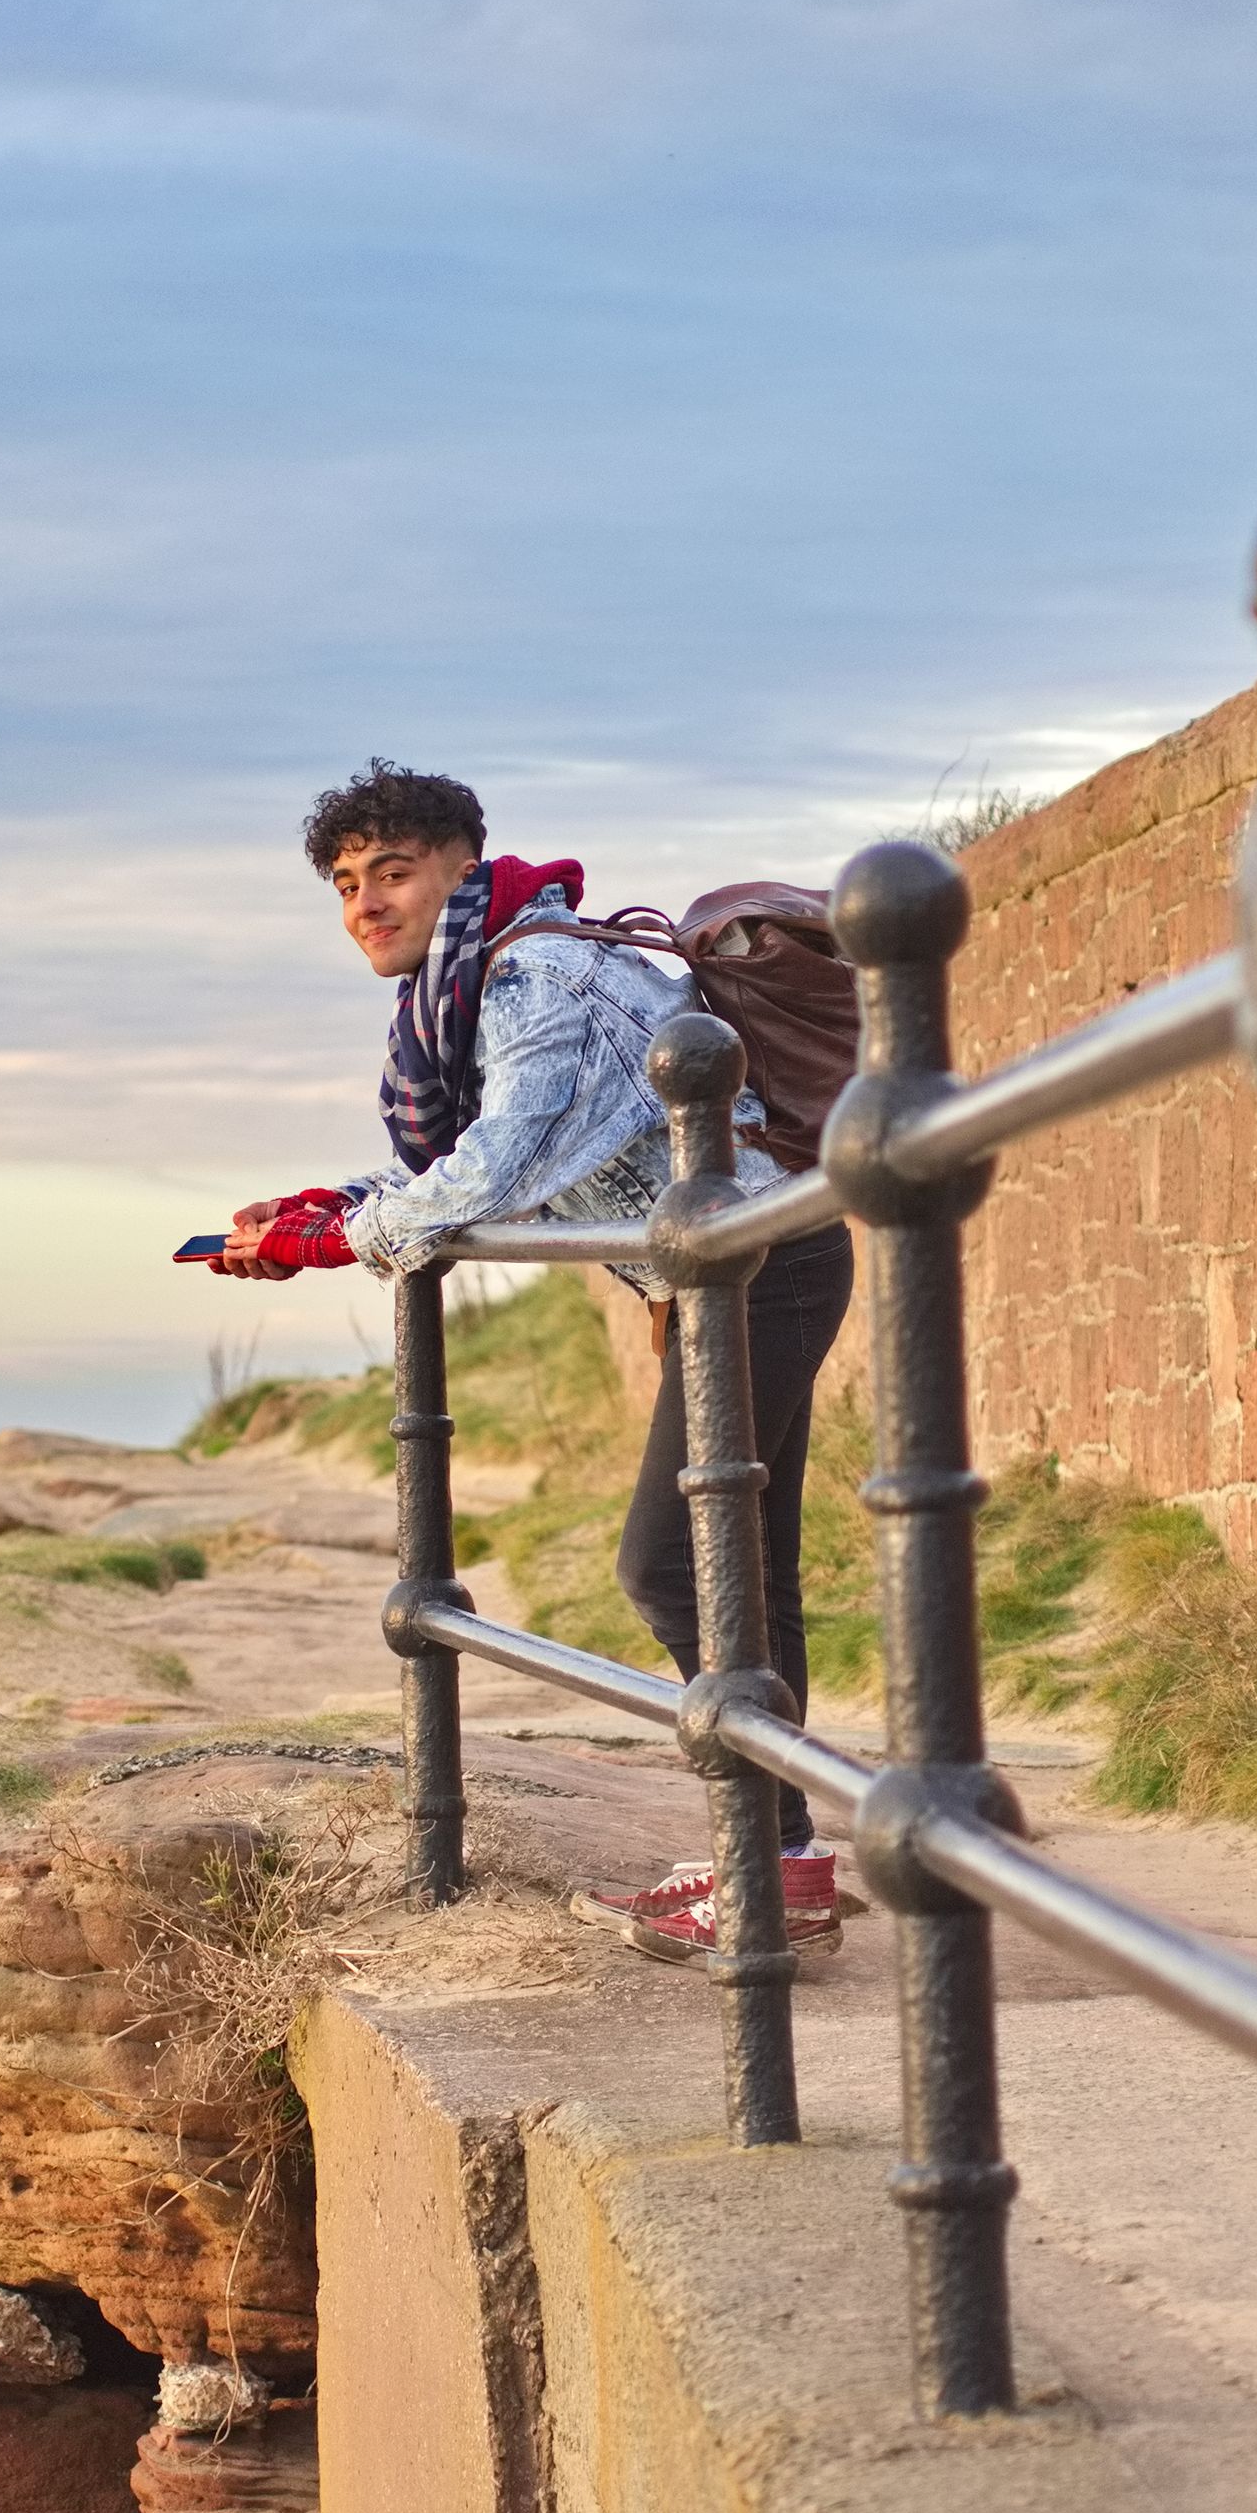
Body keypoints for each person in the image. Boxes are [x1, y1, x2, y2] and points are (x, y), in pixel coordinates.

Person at [214, 759, 858, 1957]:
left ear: (463, 867)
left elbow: (503, 1162)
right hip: (744, 1269)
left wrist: (345, 1235)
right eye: (346, 883)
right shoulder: (475, 984)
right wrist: (321, 1212)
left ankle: (769, 1867)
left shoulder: (534, 974)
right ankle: (779, 1864)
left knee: (671, 1567)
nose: (365, 904)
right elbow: (467, 1165)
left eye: (393, 873)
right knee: (743, 1575)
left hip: (756, 1272)